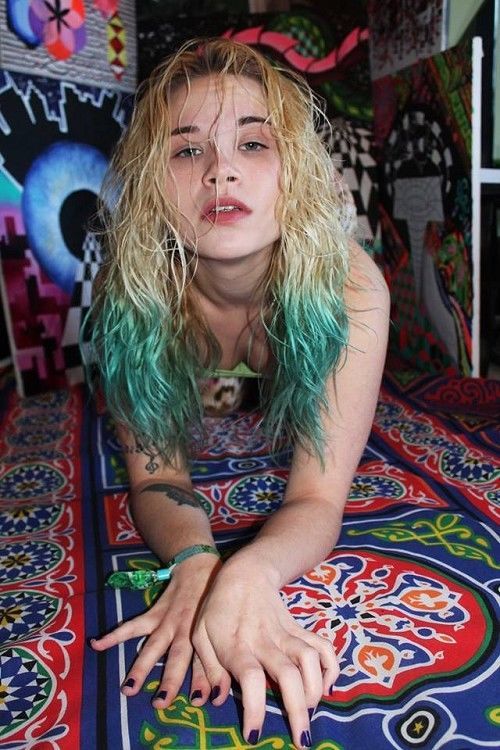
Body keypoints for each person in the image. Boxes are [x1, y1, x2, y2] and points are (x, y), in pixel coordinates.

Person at [87, 37, 389, 749]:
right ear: (151, 183)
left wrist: (250, 573)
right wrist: (194, 559)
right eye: (187, 150)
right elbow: (156, 475)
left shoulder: (350, 290)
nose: (221, 170)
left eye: (254, 144)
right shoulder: (130, 293)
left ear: (297, 172)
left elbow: (317, 498)